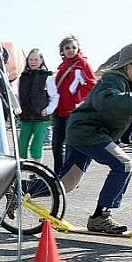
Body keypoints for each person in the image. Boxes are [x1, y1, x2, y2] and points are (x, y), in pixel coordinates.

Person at [59, 41, 132, 234]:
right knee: (124, 165)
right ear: (128, 65)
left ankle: (20, 187)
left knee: (65, 183)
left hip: (89, 133)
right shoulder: (112, 79)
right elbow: (109, 100)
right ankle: (101, 217)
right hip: (88, 132)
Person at [51, 35, 96, 172]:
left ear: (78, 49)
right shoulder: (62, 66)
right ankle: (57, 175)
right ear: (62, 50)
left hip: (73, 111)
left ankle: (69, 176)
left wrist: (77, 97)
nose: (70, 50)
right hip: (59, 111)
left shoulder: (82, 63)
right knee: (56, 145)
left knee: (71, 145)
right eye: (67, 48)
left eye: (73, 47)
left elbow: (92, 84)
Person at [16, 48, 58, 162]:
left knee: (36, 146)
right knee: (22, 146)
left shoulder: (47, 77)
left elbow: (55, 97)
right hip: (25, 117)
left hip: (41, 118)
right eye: (30, 59)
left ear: (41, 61)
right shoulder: (22, 77)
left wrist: (48, 110)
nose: (33, 62)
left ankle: (37, 170)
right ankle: (21, 170)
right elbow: (17, 96)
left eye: (36, 59)